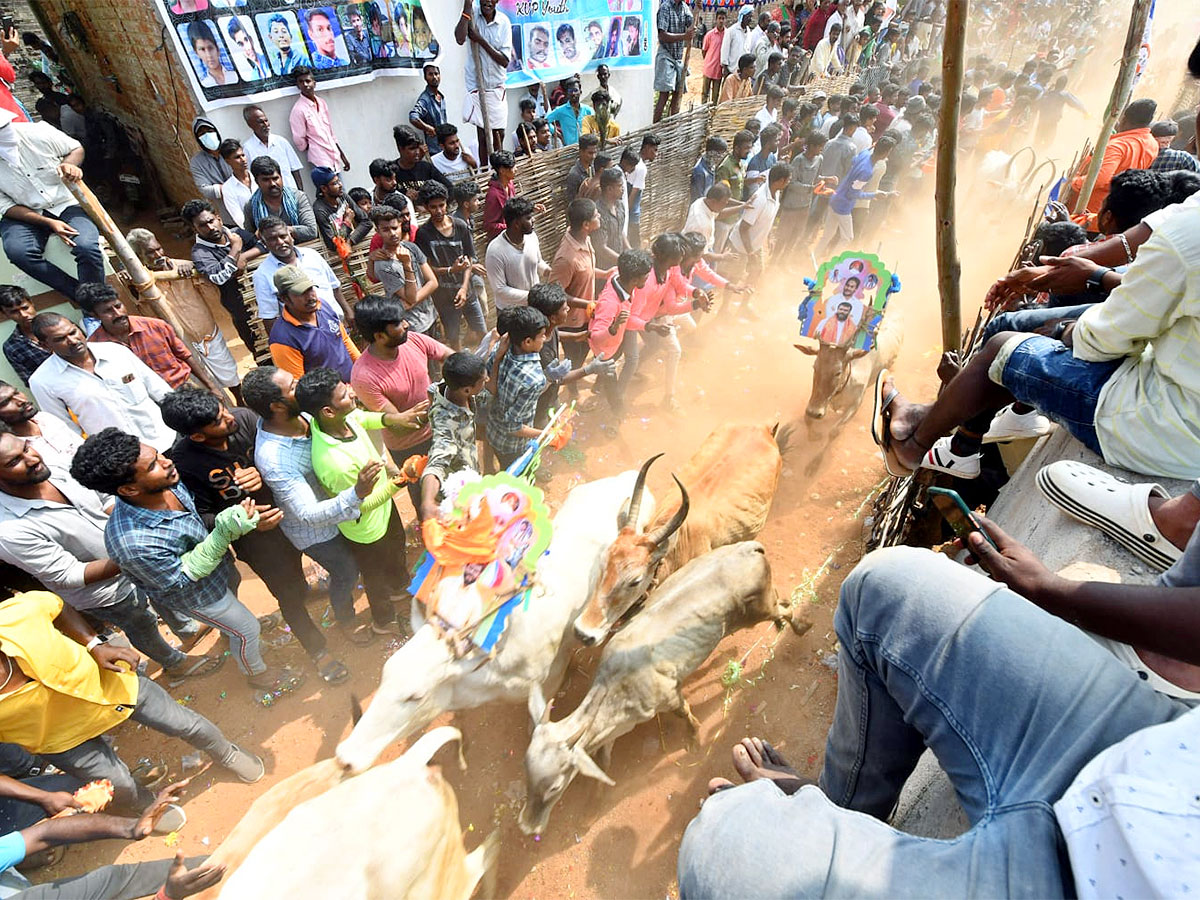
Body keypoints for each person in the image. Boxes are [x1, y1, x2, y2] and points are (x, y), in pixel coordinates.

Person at [679, 512, 1200, 897]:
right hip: (1151, 755)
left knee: (719, 846)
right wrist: (1053, 591)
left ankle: (821, 826)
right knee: (882, 586)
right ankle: (842, 810)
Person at [876, 189, 1200, 482]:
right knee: (1018, 327)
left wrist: (1063, 330)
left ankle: (916, 447)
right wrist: (1089, 276)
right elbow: (1139, 256)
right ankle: (945, 424)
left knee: (1003, 342)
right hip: (1175, 388)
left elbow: (1105, 339)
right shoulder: (1187, 223)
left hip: (1164, 426)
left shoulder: (1187, 236)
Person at [70, 430, 304, 696]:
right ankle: (258, 675)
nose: (167, 461)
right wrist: (223, 532)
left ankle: (229, 632)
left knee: (235, 599)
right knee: (247, 629)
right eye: (153, 465)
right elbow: (182, 579)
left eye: (158, 455)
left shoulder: (167, 481)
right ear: (129, 489)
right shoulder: (133, 543)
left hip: (219, 571)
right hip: (199, 596)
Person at [0, 589, 262, 822]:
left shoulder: (17, 616)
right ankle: (145, 806)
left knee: (186, 724)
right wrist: (40, 797)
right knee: (119, 785)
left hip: (114, 688)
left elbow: (56, 605)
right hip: (63, 740)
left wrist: (93, 644)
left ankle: (227, 754)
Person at [161, 388, 351, 685]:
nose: (227, 416)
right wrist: (246, 522)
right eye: (217, 420)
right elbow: (203, 517)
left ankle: (330, 604)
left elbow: (282, 453)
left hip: (300, 517)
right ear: (197, 436)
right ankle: (318, 651)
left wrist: (259, 472)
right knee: (287, 594)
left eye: (222, 408)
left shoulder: (246, 420)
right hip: (260, 542)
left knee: (340, 565)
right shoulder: (185, 463)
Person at [0, 429, 221, 678]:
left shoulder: (54, 468)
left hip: (140, 553)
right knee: (141, 624)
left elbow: (104, 494)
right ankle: (174, 663)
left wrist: (132, 528)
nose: (32, 459)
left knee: (164, 597)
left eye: (26, 448)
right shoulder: (8, 530)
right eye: (14, 461)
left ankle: (187, 630)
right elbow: (66, 574)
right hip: (106, 591)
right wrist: (133, 554)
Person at [245, 365, 390, 647]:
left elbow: (352, 417)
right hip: (319, 531)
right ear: (277, 406)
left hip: (346, 514)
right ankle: (346, 618)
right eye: (292, 386)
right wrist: (357, 493)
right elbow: (308, 514)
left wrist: (388, 420)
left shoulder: (307, 411)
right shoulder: (274, 459)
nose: (300, 386)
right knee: (347, 570)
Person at [298, 366, 419, 636]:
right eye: (344, 394)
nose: (352, 393)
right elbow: (358, 506)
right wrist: (400, 480)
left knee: (395, 549)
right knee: (374, 578)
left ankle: (400, 587)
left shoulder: (342, 418)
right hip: (364, 528)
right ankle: (383, 621)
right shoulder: (333, 463)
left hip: (384, 508)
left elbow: (362, 419)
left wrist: (391, 420)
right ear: (327, 411)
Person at [349, 294, 448, 508]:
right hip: (410, 445)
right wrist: (444, 402)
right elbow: (402, 425)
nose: (406, 324)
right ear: (380, 336)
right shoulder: (364, 376)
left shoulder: (413, 340)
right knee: (426, 497)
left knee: (452, 486)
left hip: (438, 429)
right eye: (397, 323)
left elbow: (451, 357)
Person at [28, 313, 175, 452]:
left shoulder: (115, 351)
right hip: (123, 457)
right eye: (60, 339)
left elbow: (159, 389)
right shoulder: (42, 381)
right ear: (44, 346)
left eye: (73, 332)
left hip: (167, 438)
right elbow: (66, 430)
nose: (73, 341)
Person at [0, 109, 102, 305]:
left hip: (65, 202)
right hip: (25, 212)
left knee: (87, 247)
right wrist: (48, 222)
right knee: (19, 252)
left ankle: (96, 301)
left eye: (4, 127)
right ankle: (84, 297)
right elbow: (6, 206)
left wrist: (69, 165)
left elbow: (75, 148)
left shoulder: (38, 132)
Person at [77, 283, 220, 398]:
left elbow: (185, 355)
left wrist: (211, 386)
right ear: (94, 316)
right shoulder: (96, 346)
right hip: (148, 400)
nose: (118, 313)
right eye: (108, 311)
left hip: (185, 387)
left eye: (118, 306)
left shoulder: (156, 326)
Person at [182, 198, 262, 353]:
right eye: (202, 225)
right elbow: (218, 276)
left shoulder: (236, 232)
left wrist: (244, 257)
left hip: (267, 300)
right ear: (194, 229)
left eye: (211, 221)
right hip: (244, 313)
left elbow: (264, 245)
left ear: (218, 217)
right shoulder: (200, 253)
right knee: (264, 355)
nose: (210, 227)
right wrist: (236, 250)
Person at [414, 183, 486, 350]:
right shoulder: (423, 234)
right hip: (444, 297)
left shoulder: (460, 226)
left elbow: (469, 259)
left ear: (447, 204)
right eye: (433, 207)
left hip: (467, 291)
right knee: (454, 339)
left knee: (482, 332)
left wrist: (463, 288)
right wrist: (450, 270)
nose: (438, 211)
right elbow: (425, 269)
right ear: (426, 207)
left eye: (442, 205)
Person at [417, 351, 487, 522]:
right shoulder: (447, 423)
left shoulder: (447, 385)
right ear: (467, 390)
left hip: (471, 462)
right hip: (459, 486)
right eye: (483, 381)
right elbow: (436, 463)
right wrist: (427, 501)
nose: (488, 381)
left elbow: (431, 390)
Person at [1070, 98, 1159, 228]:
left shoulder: (1118, 146)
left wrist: (1075, 182)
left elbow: (1100, 178)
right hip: (1112, 213)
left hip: (1089, 212)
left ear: (1124, 119)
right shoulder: (1152, 144)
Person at [251, 215, 351, 330]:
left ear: (291, 235)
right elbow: (270, 318)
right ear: (264, 243)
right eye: (272, 239)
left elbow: (334, 287)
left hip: (338, 325)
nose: (280, 242)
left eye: (283, 236)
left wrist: (348, 311)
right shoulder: (262, 275)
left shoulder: (311, 255)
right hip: (306, 337)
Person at [588, 249, 654, 419]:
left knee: (617, 356)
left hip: (615, 341)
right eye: (645, 278)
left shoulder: (619, 278)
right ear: (633, 280)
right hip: (604, 350)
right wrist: (613, 327)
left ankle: (598, 385)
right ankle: (617, 413)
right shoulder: (610, 303)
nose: (647, 281)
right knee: (612, 386)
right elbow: (595, 336)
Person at [550, 198, 611, 372]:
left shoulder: (584, 238)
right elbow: (556, 294)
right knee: (573, 358)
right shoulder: (566, 258)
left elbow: (586, 271)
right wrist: (588, 304)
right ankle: (571, 386)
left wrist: (604, 274)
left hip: (586, 314)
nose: (599, 215)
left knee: (585, 349)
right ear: (586, 224)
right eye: (595, 215)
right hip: (572, 320)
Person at [487, 306, 550, 469]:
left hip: (493, 431)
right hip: (512, 445)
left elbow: (489, 387)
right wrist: (546, 434)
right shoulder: (535, 379)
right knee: (516, 477)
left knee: (504, 468)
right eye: (542, 335)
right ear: (527, 342)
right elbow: (513, 427)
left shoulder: (501, 348)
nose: (545, 338)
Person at [367, 204, 439, 336]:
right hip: (411, 325)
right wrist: (407, 265)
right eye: (386, 230)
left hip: (430, 314)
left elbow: (433, 282)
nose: (393, 233)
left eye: (395, 228)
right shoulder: (383, 265)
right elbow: (411, 297)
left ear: (400, 225)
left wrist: (412, 301)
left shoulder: (411, 247)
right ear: (378, 231)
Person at [730, 164, 792, 313]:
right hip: (740, 245)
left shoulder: (775, 193)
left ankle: (744, 306)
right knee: (734, 277)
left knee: (757, 271)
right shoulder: (760, 199)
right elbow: (743, 228)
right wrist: (750, 254)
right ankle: (723, 309)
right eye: (788, 180)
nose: (789, 182)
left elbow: (768, 220)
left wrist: (769, 236)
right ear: (780, 181)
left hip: (754, 244)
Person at [455, 0, 512, 158]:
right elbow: (459, 38)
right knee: (483, 136)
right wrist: (466, 7)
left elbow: (504, 61)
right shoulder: (471, 14)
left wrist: (480, 40)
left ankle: (499, 167)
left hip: (496, 85)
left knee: (499, 134)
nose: (487, 2)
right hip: (477, 84)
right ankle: (486, 171)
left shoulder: (503, 23)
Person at [821, 135, 897, 253]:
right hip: (844, 206)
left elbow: (856, 159)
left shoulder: (864, 154)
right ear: (886, 153)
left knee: (827, 235)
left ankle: (814, 257)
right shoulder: (867, 171)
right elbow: (853, 194)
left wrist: (873, 146)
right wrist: (873, 195)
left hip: (836, 197)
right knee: (848, 238)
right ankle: (832, 261)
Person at [486, 197, 550, 310]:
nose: (533, 220)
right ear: (516, 223)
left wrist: (549, 272)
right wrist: (534, 296)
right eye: (528, 218)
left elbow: (538, 262)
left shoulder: (531, 237)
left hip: (535, 306)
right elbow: (500, 290)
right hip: (512, 313)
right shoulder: (495, 251)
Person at [774, 132, 828, 262]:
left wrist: (826, 179)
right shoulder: (798, 160)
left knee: (795, 236)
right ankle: (773, 261)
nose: (821, 150)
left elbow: (816, 178)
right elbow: (791, 184)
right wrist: (811, 188)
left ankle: (783, 262)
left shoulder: (819, 159)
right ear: (811, 146)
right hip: (791, 206)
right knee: (783, 237)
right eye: (819, 147)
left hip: (805, 205)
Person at [242, 156, 318, 242]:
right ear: (257, 182)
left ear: (281, 177)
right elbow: (250, 240)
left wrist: (274, 231)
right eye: (266, 180)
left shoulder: (298, 197)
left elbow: (311, 231)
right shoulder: (251, 207)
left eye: (275, 178)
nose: (272, 184)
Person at [289, 67, 350, 173]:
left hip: (333, 157)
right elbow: (299, 140)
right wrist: (314, 146)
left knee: (338, 189)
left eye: (308, 81)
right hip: (319, 160)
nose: (305, 85)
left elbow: (330, 133)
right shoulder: (298, 110)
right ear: (298, 85)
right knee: (330, 189)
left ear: (314, 83)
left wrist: (342, 156)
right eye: (301, 82)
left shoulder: (321, 103)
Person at [241, 105, 303, 192]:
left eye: (266, 120)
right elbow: (250, 178)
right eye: (260, 122)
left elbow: (295, 170)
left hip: (292, 194)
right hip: (270, 200)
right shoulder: (247, 149)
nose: (266, 125)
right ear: (250, 124)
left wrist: (301, 193)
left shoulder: (281, 142)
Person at [311, 165, 371, 253]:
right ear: (324, 189)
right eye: (335, 183)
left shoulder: (343, 196)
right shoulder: (320, 210)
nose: (340, 185)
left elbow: (366, 222)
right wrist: (347, 221)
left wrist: (350, 242)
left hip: (358, 249)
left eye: (339, 181)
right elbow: (333, 243)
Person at [0, 285, 50, 386]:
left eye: (25, 308)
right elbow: (30, 381)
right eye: (14, 312)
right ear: (4, 314)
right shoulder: (11, 347)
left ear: (31, 303)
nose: (23, 314)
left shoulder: (59, 325)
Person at [654, 0, 694, 122]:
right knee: (664, 94)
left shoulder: (684, 8)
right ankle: (654, 128)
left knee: (678, 92)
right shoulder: (665, 7)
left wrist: (695, 15)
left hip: (678, 57)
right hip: (666, 55)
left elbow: (691, 25)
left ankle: (672, 125)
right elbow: (662, 36)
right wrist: (684, 37)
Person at [625, 134, 660, 251]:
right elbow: (633, 193)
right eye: (654, 150)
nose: (656, 154)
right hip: (631, 214)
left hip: (628, 212)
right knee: (634, 245)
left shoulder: (635, 162)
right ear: (646, 148)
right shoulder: (641, 168)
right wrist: (626, 214)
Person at [188, 117, 233, 206]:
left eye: (209, 130)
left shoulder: (231, 149)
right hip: (224, 205)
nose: (207, 135)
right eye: (202, 133)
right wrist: (230, 189)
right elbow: (205, 189)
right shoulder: (197, 162)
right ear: (198, 139)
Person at [594, 167, 630, 271]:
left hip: (618, 263)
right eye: (619, 186)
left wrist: (629, 251)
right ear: (609, 189)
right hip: (603, 268)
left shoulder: (619, 206)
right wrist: (623, 262)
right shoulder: (598, 213)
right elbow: (601, 248)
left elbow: (620, 231)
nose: (623, 188)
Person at [409, 63, 447, 156]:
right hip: (434, 150)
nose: (434, 77)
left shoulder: (441, 97)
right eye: (430, 74)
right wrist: (427, 128)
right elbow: (413, 117)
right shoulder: (425, 99)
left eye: (436, 73)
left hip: (445, 147)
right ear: (425, 78)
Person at [216, 139, 254, 229]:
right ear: (227, 161)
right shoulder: (228, 188)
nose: (243, 160)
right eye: (237, 157)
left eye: (243, 155)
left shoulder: (258, 176)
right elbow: (239, 218)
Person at [547, 79, 593, 148]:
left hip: (586, 149)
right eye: (570, 91)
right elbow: (545, 121)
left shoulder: (588, 110)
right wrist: (556, 132)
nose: (573, 93)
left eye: (575, 90)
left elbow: (596, 124)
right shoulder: (561, 110)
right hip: (569, 150)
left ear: (580, 92)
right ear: (567, 93)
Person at [691, 135, 728, 204]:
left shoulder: (711, 167)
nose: (721, 157)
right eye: (719, 153)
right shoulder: (700, 171)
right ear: (711, 152)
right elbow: (697, 198)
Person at [722, 6, 754, 80]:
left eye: (751, 17)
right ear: (743, 16)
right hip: (732, 70)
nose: (750, 19)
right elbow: (725, 50)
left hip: (744, 72)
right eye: (749, 17)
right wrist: (725, 68)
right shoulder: (732, 31)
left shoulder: (749, 32)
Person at [566, 134, 600, 204]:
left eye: (595, 152)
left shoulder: (594, 167)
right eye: (590, 153)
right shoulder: (574, 175)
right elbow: (572, 203)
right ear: (581, 152)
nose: (593, 156)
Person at [702, 10, 727, 104]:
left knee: (715, 95)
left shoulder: (728, 35)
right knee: (705, 93)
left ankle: (712, 115)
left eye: (723, 18)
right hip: (708, 68)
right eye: (719, 18)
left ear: (726, 20)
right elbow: (704, 51)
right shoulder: (709, 35)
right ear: (716, 19)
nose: (721, 21)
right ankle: (702, 113)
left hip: (719, 70)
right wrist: (709, 61)